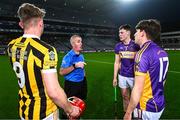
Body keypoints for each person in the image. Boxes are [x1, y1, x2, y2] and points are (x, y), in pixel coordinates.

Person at [7, 3, 79, 119]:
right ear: (41, 24)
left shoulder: (11, 45)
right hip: (44, 112)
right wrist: (70, 109)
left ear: (21, 24)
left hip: (24, 111)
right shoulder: (46, 51)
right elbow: (53, 92)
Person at [124, 19, 169, 120]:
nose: (134, 35)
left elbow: (138, 88)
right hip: (159, 103)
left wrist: (128, 112)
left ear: (142, 33)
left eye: (136, 32)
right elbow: (163, 81)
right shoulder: (162, 52)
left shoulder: (142, 54)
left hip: (146, 107)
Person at [113, 24, 139, 116]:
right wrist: (115, 77)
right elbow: (116, 62)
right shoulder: (118, 46)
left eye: (121, 32)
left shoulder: (136, 45)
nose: (119, 34)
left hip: (134, 77)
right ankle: (127, 115)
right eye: (119, 33)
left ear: (128, 33)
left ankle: (136, 115)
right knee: (125, 96)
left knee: (135, 98)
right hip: (122, 76)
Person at [59, 35, 87, 119]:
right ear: (73, 44)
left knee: (79, 104)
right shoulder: (68, 57)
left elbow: (82, 69)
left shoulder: (81, 56)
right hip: (72, 85)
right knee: (69, 107)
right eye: (78, 41)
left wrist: (84, 78)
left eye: (81, 41)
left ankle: (77, 117)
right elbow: (61, 72)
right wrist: (74, 66)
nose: (81, 43)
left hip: (82, 83)